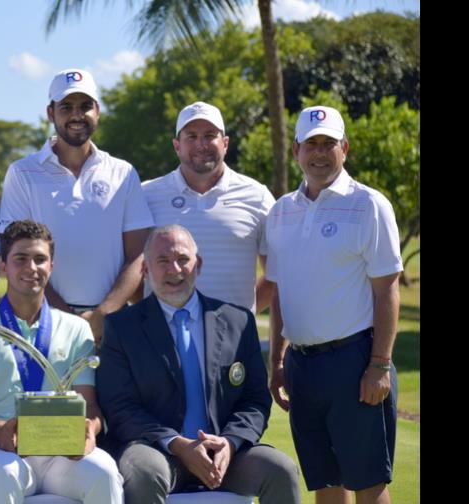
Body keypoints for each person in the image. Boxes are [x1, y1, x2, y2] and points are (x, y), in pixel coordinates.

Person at [97, 225, 300, 503]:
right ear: (145, 269)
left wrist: (230, 442)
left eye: (183, 259)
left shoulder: (238, 322)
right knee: (145, 472)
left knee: (281, 470)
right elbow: (119, 406)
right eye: (163, 261)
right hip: (157, 450)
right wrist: (178, 445)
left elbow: (255, 400)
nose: (174, 269)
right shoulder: (122, 327)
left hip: (224, 455)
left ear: (199, 264)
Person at [265, 106, 402, 504]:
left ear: (345, 148)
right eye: (311, 144)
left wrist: (379, 365)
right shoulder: (281, 211)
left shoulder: (369, 204)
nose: (320, 153)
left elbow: (387, 290)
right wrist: (277, 361)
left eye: (329, 144)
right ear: (296, 150)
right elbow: (280, 292)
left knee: (369, 483)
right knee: (325, 483)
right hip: (302, 367)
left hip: (355, 361)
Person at [0, 220, 124, 504]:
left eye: (40, 259)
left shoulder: (76, 328)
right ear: (3, 266)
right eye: (20, 259)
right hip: (0, 450)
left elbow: (90, 405)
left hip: (61, 453)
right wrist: (0, 430)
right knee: (3, 475)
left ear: (51, 266)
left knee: (103, 472)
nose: (31, 268)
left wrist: (90, 431)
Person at [0, 68, 154, 346]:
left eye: (85, 106)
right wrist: (67, 319)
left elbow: (137, 255)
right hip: (41, 320)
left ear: (98, 111)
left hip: (113, 324)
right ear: (50, 113)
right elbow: (17, 256)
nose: (77, 115)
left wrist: (104, 314)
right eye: (66, 107)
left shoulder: (123, 173)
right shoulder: (22, 173)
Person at [142, 101, 275, 313]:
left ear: (225, 143)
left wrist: (236, 319)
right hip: (160, 332)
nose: (201, 144)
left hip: (233, 334)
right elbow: (132, 270)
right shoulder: (146, 195)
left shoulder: (258, 196)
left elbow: (276, 275)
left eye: (210, 135)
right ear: (177, 146)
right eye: (191, 136)